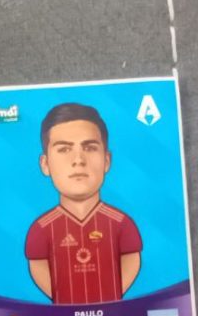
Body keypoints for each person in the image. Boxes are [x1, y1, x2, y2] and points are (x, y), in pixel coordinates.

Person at [25, 103, 141, 305]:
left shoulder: (121, 223)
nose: (78, 160)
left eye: (89, 148)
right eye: (64, 149)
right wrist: (66, 299)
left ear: (106, 160)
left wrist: (109, 295)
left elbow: (131, 259)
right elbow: (38, 265)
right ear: (45, 164)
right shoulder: (41, 228)